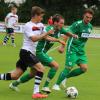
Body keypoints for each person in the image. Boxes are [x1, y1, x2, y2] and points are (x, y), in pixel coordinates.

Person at [8, 14, 78, 94]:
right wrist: (58, 40)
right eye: (61, 23)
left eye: (63, 23)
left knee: (32, 74)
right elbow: (46, 37)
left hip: (40, 53)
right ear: (55, 23)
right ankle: (46, 86)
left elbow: (67, 32)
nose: (63, 25)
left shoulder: (60, 29)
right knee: (55, 65)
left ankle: (14, 84)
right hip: (38, 52)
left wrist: (73, 35)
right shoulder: (48, 29)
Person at [0, 6, 54, 99]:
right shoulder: (27, 25)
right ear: (35, 15)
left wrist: (57, 40)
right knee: (41, 69)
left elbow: (46, 37)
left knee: (15, 76)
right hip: (26, 52)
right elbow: (33, 39)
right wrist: (46, 33)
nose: (42, 19)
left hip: (29, 53)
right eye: (41, 16)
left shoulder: (41, 25)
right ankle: (36, 93)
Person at [52, 8, 94, 90]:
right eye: (87, 17)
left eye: (90, 18)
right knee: (69, 67)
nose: (88, 19)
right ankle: (56, 85)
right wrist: (62, 46)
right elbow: (66, 34)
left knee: (84, 68)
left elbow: (83, 39)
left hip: (81, 51)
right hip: (72, 48)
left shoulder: (90, 27)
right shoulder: (77, 24)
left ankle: (65, 77)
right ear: (83, 16)